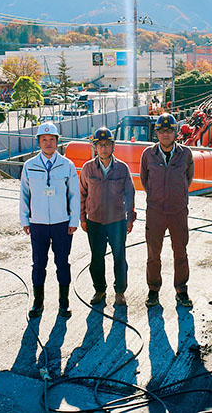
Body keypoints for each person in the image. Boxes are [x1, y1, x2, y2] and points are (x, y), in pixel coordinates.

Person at [19, 122, 80, 318]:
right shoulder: (30, 166)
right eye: (44, 140)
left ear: (57, 142)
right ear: (38, 142)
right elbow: (24, 195)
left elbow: (74, 195)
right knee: (38, 264)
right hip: (38, 224)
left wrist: (73, 221)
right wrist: (25, 220)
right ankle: (38, 303)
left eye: (51, 140)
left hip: (62, 223)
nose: (48, 143)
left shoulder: (67, 165)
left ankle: (64, 303)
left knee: (62, 263)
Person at [139, 113, 195, 309]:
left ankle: (181, 290)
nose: (165, 135)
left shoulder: (186, 154)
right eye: (162, 131)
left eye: (169, 130)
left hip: (178, 212)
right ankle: (153, 290)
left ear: (175, 132)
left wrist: (175, 197)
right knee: (153, 253)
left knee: (180, 251)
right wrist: (157, 197)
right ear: (157, 133)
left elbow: (188, 179)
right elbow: (145, 180)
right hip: (155, 212)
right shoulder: (148, 155)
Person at [79, 127, 136, 307]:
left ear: (113, 146)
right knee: (96, 258)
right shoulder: (88, 169)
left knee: (119, 257)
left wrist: (130, 218)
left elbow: (130, 193)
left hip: (117, 221)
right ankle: (99, 289)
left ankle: (120, 292)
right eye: (100, 145)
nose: (104, 148)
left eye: (107, 145)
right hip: (95, 221)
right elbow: (82, 194)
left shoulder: (122, 169)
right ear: (95, 147)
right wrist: (82, 218)